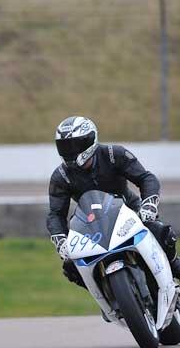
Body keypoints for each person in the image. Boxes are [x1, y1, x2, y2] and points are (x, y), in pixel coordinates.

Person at [47, 116, 180, 288]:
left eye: (73, 145)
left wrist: (149, 204)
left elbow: (146, 178)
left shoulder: (113, 154)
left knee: (161, 232)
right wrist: (61, 240)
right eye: (64, 147)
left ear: (89, 140)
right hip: (92, 227)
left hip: (130, 211)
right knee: (71, 267)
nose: (69, 152)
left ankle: (173, 266)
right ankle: (109, 298)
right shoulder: (61, 177)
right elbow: (56, 214)